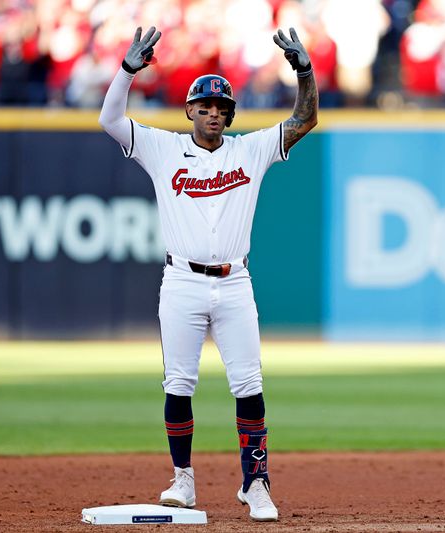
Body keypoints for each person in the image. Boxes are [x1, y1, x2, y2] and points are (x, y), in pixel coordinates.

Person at [98, 26, 318, 522]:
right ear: (190, 110)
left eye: (222, 108)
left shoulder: (250, 149)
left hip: (235, 281)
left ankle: (256, 483)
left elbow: (305, 117)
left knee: (249, 384)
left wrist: (304, 71)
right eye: (205, 105)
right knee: (178, 384)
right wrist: (128, 70)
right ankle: (183, 479)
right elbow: (110, 118)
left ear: (229, 115)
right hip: (181, 281)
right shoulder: (162, 149)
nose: (214, 112)